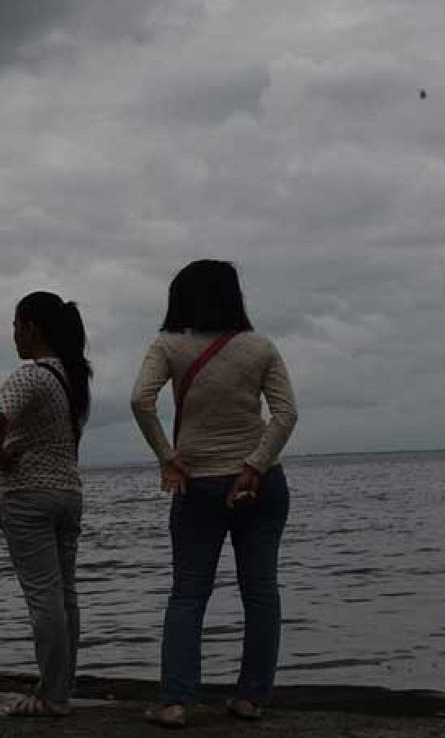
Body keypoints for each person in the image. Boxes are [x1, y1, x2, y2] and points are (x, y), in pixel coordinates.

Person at [129, 261, 298, 728]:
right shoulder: (260, 346)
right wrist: (253, 466)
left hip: (197, 481)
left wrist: (168, 456)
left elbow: (141, 400)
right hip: (261, 485)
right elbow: (286, 415)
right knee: (261, 591)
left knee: (188, 593)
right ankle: (251, 698)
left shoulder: (168, 345)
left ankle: (177, 701)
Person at [0, 291, 92, 717]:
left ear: (31, 328)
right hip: (68, 493)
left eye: (15, 325)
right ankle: (62, 689)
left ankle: (50, 694)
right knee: (66, 595)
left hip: (27, 493)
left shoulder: (30, 376)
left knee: (42, 597)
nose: (13, 334)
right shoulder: (75, 378)